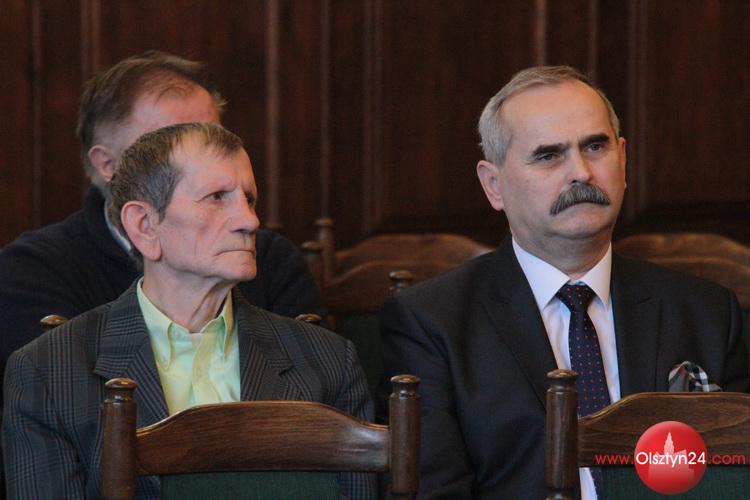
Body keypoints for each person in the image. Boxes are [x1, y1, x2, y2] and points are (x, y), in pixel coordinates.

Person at [379, 66, 750, 499]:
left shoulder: (706, 312)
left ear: (623, 160)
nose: (581, 172)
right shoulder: (432, 323)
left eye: (595, 146)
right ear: (494, 185)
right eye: (548, 155)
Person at [3, 123, 375, 499]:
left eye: (249, 199)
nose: (250, 221)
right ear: (145, 226)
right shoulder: (50, 370)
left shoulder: (329, 362)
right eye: (217, 197)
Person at [0, 51, 323, 390]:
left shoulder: (270, 261)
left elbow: (315, 398)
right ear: (107, 164)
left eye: (212, 139)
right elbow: (64, 406)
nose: (247, 222)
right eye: (167, 143)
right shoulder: (31, 271)